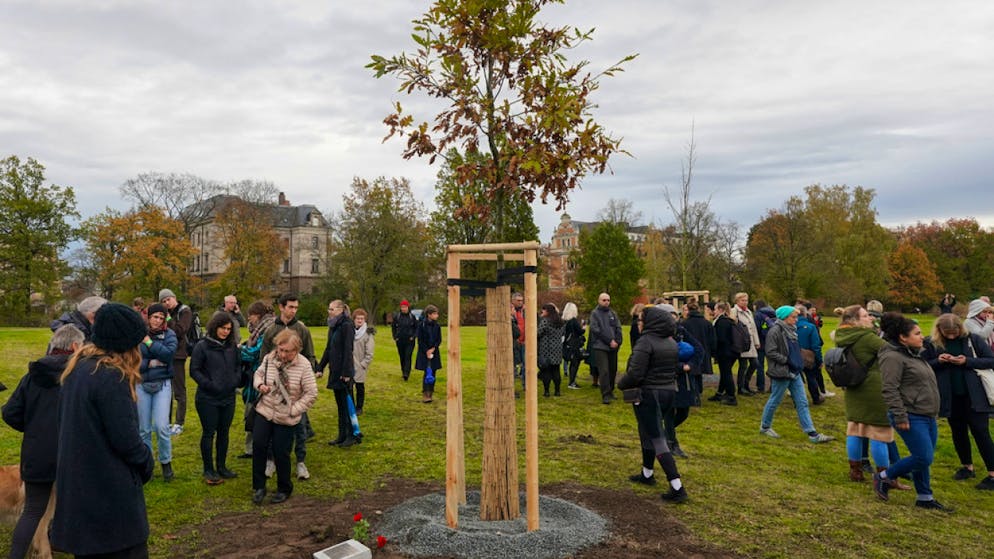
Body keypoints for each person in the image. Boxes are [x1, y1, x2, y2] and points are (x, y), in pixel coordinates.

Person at [51, 303, 155, 557]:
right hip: (109, 503)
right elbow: (127, 441)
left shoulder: (79, 369)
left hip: (83, 496)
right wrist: (146, 462)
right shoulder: (110, 376)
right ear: (126, 344)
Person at [2, 325, 84, 559]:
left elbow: (10, 412)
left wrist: (34, 430)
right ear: (75, 347)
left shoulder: (32, 376)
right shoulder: (78, 376)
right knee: (76, 506)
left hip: (37, 452)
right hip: (71, 451)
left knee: (33, 510)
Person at [873, 312, 949, 510]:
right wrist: (900, 415)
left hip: (927, 413)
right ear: (902, 338)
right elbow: (889, 388)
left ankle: (924, 497)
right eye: (917, 333)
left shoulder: (914, 354)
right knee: (923, 456)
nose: (922, 336)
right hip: (910, 414)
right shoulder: (892, 357)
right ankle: (883, 477)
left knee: (923, 457)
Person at [618, 306, 688, 503]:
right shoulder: (671, 342)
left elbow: (635, 373)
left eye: (641, 320)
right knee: (647, 431)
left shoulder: (645, 342)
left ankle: (677, 486)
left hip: (649, 393)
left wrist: (621, 384)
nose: (639, 324)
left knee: (657, 437)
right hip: (668, 392)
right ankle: (647, 473)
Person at [833, 305, 908, 485]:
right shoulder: (866, 337)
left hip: (853, 386)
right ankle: (885, 476)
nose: (871, 318)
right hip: (874, 387)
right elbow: (891, 351)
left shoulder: (841, 336)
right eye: (866, 316)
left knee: (855, 430)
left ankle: (856, 471)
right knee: (879, 433)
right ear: (855, 320)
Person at [922, 313, 994, 490]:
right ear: (940, 330)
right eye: (948, 333)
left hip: (975, 395)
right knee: (958, 431)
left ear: (960, 328)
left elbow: (991, 360)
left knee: (981, 432)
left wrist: (967, 361)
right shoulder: (931, 343)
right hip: (949, 396)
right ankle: (966, 466)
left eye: (954, 332)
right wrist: (938, 361)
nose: (952, 336)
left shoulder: (973, 339)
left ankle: (993, 474)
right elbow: (922, 365)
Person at [251, 329, 318, 505]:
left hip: (286, 417)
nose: (282, 354)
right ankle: (259, 487)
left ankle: (284, 488)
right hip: (264, 411)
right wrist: (260, 385)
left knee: (282, 452)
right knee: (258, 446)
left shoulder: (303, 365)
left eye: (287, 351)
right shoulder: (269, 358)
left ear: (296, 350)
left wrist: (293, 409)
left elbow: (311, 393)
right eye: (280, 349)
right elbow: (258, 374)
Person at [759, 306, 834, 444]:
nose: (796, 319)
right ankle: (765, 426)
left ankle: (812, 433)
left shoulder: (792, 330)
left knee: (802, 402)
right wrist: (787, 360)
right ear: (784, 317)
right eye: (793, 316)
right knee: (775, 400)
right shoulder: (775, 331)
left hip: (794, 371)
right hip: (782, 372)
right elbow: (770, 351)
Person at [260, 294, 317, 477]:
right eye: (290, 307)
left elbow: (309, 355)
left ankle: (301, 461)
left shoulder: (302, 329)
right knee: (272, 424)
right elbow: (263, 358)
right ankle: (271, 461)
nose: (293, 310)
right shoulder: (271, 330)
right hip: (275, 388)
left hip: (296, 388)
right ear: (281, 307)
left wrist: (306, 375)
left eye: (296, 307)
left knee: (300, 426)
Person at [190, 312, 241, 485]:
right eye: (223, 328)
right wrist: (210, 384)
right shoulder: (202, 346)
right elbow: (194, 370)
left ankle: (221, 466)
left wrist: (235, 381)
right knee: (209, 432)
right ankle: (208, 469)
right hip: (207, 398)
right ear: (215, 326)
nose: (226, 332)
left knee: (224, 432)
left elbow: (238, 367)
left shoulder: (232, 346)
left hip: (228, 397)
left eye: (229, 329)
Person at [137, 303, 178, 482]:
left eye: (162, 317)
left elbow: (168, 355)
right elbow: (135, 360)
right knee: (144, 429)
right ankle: (147, 465)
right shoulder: (136, 335)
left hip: (162, 384)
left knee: (162, 426)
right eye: (155, 317)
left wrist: (149, 343)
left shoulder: (169, 334)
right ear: (149, 317)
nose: (158, 320)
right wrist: (151, 362)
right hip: (141, 383)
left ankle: (166, 463)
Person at [658, 304, 704, 458]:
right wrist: (677, 366)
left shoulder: (681, 332)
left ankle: (662, 435)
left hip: (685, 380)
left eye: (674, 316)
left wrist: (690, 365)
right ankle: (671, 443)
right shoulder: (656, 335)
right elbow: (658, 357)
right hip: (667, 379)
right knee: (669, 413)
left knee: (684, 412)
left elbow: (699, 349)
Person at [237, 301, 276, 459]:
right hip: (253, 376)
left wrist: (240, 350)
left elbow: (255, 353)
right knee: (251, 411)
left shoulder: (267, 330)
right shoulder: (260, 329)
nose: (249, 319)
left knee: (256, 413)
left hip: (261, 376)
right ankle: (251, 448)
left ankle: (257, 448)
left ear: (258, 315)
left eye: (250, 315)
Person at [319, 299, 357, 447]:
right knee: (340, 405)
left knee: (347, 404)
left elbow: (348, 350)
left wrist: (347, 372)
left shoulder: (347, 325)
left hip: (344, 372)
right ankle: (341, 435)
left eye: (332, 309)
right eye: (329, 309)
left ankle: (351, 435)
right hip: (335, 371)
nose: (330, 311)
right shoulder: (333, 326)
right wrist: (320, 367)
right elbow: (329, 349)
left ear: (341, 310)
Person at [159, 288, 194, 436]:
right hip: (165, 353)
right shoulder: (168, 313)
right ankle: (166, 421)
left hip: (179, 355)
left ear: (174, 298)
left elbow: (179, 330)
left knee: (179, 391)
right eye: (164, 301)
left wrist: (167, 318)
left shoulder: (184, 311)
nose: (167, 303)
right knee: (166, 390)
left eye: (168, 299)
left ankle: (179, 422)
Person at [590, 292, 623, 404]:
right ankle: (605, 394)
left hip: (613, 347)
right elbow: (596, 330)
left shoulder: (613, 313)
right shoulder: (595, 314)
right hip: (600, 346)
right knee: (604, 371)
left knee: (612, 370)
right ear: (599, 301)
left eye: (608, 300)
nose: (606, 302)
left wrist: (618, 341)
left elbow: (618, 327)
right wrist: (609, 341)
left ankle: (611, 391)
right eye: (604, 300)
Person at [795, 305, 826, 405]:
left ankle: (797, 400)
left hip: (793, 355)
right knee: (811, 377)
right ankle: (816, 398)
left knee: (795, 379)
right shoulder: (811, 327)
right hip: (808, 357)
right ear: (805, 314)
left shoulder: (790, 326)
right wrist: (819, 360)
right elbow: (816, 346)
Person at [732, 292, 761, 396]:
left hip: (751, 342)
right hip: (742, 343)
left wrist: (757, 342)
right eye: (742, 300)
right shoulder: (734, 311)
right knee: (743, 365)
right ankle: (741, 387)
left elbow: (753, 328)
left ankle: (746, 384)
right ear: (737, 301)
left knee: (755, 363)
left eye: (746, 300)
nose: (745, 302)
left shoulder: (748, 312)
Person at [710, 302, 739, 405]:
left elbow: (721, 339)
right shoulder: (730, 321)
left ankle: (731, 396)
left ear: (720, 310)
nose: (714, 311)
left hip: (725, 352)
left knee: (726, 374)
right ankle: (720, 393)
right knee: (725, 373)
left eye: (715, 309)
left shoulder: (721, 322)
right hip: (732, 351)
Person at [416, 305, 442, 403]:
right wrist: (426, 350)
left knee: (433, 372)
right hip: (424, 352)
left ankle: (431, 392)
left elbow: (439, 339)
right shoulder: (421, 325)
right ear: (429, 315)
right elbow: (420, 340)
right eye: (435, 314)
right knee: (427, 372)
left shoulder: (437, 326)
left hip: (434, 351)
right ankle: (426, 393)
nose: (437, 315)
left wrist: (433, 348)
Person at [537, 302, 565, 397]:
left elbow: (538, 333)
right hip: (557, 348)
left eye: (543, 310)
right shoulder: (560, 322)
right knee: (556, 370)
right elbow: (562, 334)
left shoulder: (545, 321)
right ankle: (557, 391)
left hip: (546, 348)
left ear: (547, 311)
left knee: (546, 371)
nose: (542, 311)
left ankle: (547, 391)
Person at [352, 308, 375, 415]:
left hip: (360, 365)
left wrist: (364, 364)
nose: (360, 321)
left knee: (359, 386)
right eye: (358, 318)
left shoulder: (367, 334)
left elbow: (370, 352)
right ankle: (351, 406)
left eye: (362, 318)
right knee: (349, 387)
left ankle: (359, 407)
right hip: (350, 364)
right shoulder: (350, 331)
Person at [753, 300, 777, 392]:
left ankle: (760, 387)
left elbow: (756, 328)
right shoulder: (773, 313)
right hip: (772, 343)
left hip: (761, 343)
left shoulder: (758, 315)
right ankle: (773, 386)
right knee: (772, 366)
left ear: (756, 306)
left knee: (760, 366)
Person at [391, 300, 418, 381]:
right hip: (400, 340)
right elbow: (393, 327)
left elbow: (416, 328)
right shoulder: (397, 316)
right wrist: (395, 336)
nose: (404, 309)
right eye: (402, 307)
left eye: (405, 307)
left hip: (410, 340)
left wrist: (413, 336)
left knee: (408, 356)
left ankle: (407, 373)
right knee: (402, 356)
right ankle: (403, 371)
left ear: (408, 307)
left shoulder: (412, 317)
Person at [562, 302, 585, 389]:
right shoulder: (573, 321)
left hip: (566, 344)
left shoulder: (564, 321)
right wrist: (583, 327)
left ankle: (571, 381)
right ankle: (572, 382)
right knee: (575, 363)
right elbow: (580, 332)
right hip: (574, 345)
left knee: (572, 363)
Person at [511, 292, 526, 391]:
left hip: (524, 341)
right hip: (514, 341)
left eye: (521, 300)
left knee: (526, 364)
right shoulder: (510, 311)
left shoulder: (525, 311)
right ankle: (511, 387)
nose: (520, 302)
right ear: (513, 301)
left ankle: (526, 385)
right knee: (512, 365)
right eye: (518, 300)